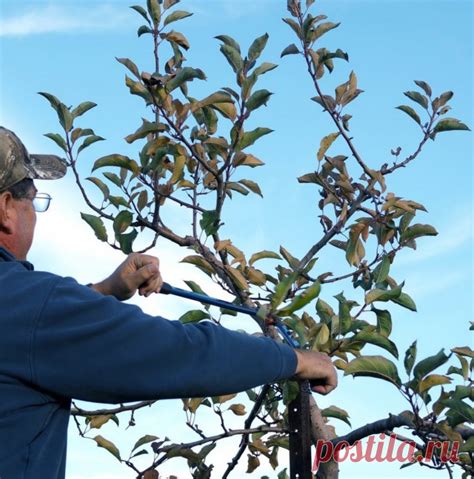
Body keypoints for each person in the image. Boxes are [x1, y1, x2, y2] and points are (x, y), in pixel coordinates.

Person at [0, 126, 337, 479]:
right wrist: (295, 359)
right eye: (35, 201)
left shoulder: (24, 310)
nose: (36, 213)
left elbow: (30, 330)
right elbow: (182, 353)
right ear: (6, 208)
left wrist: (102, 291)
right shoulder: (27, 303)